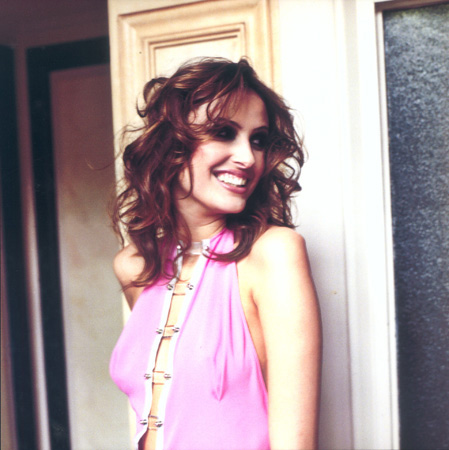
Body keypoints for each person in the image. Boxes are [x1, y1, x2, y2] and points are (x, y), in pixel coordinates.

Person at [110, 57, 321, 450]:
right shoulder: (135, 265)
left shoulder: (274, 254)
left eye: (258, 140)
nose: (248, 157)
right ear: (170, 144)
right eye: (223, 132)